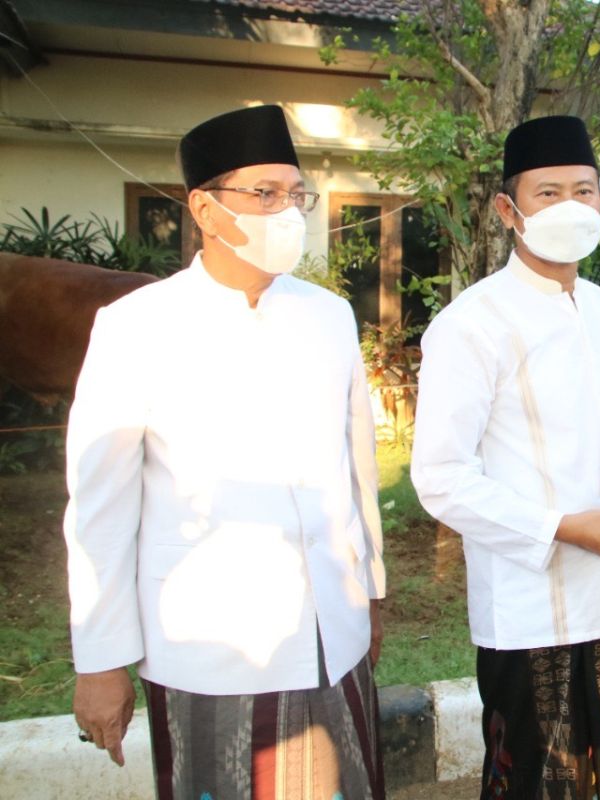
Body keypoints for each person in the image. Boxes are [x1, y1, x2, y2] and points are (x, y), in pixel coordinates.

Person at [64, 105, 386, 799]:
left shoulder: (329, 317)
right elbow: (101, 510)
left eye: (295, 195)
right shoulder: (135, 328)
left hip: (335, 632)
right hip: (211, 643)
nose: (287, 212)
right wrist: (100, 662)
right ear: (205, 210)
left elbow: (357, 467)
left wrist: (374, 591)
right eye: (263, 193)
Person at [410, 115, 600, 799]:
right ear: (507, 210)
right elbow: (440, 477)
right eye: (549, 194)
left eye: (584, 190)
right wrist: (557, 528)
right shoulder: (472, 323)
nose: (570, 207)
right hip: (532, 610)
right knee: (537, 782)